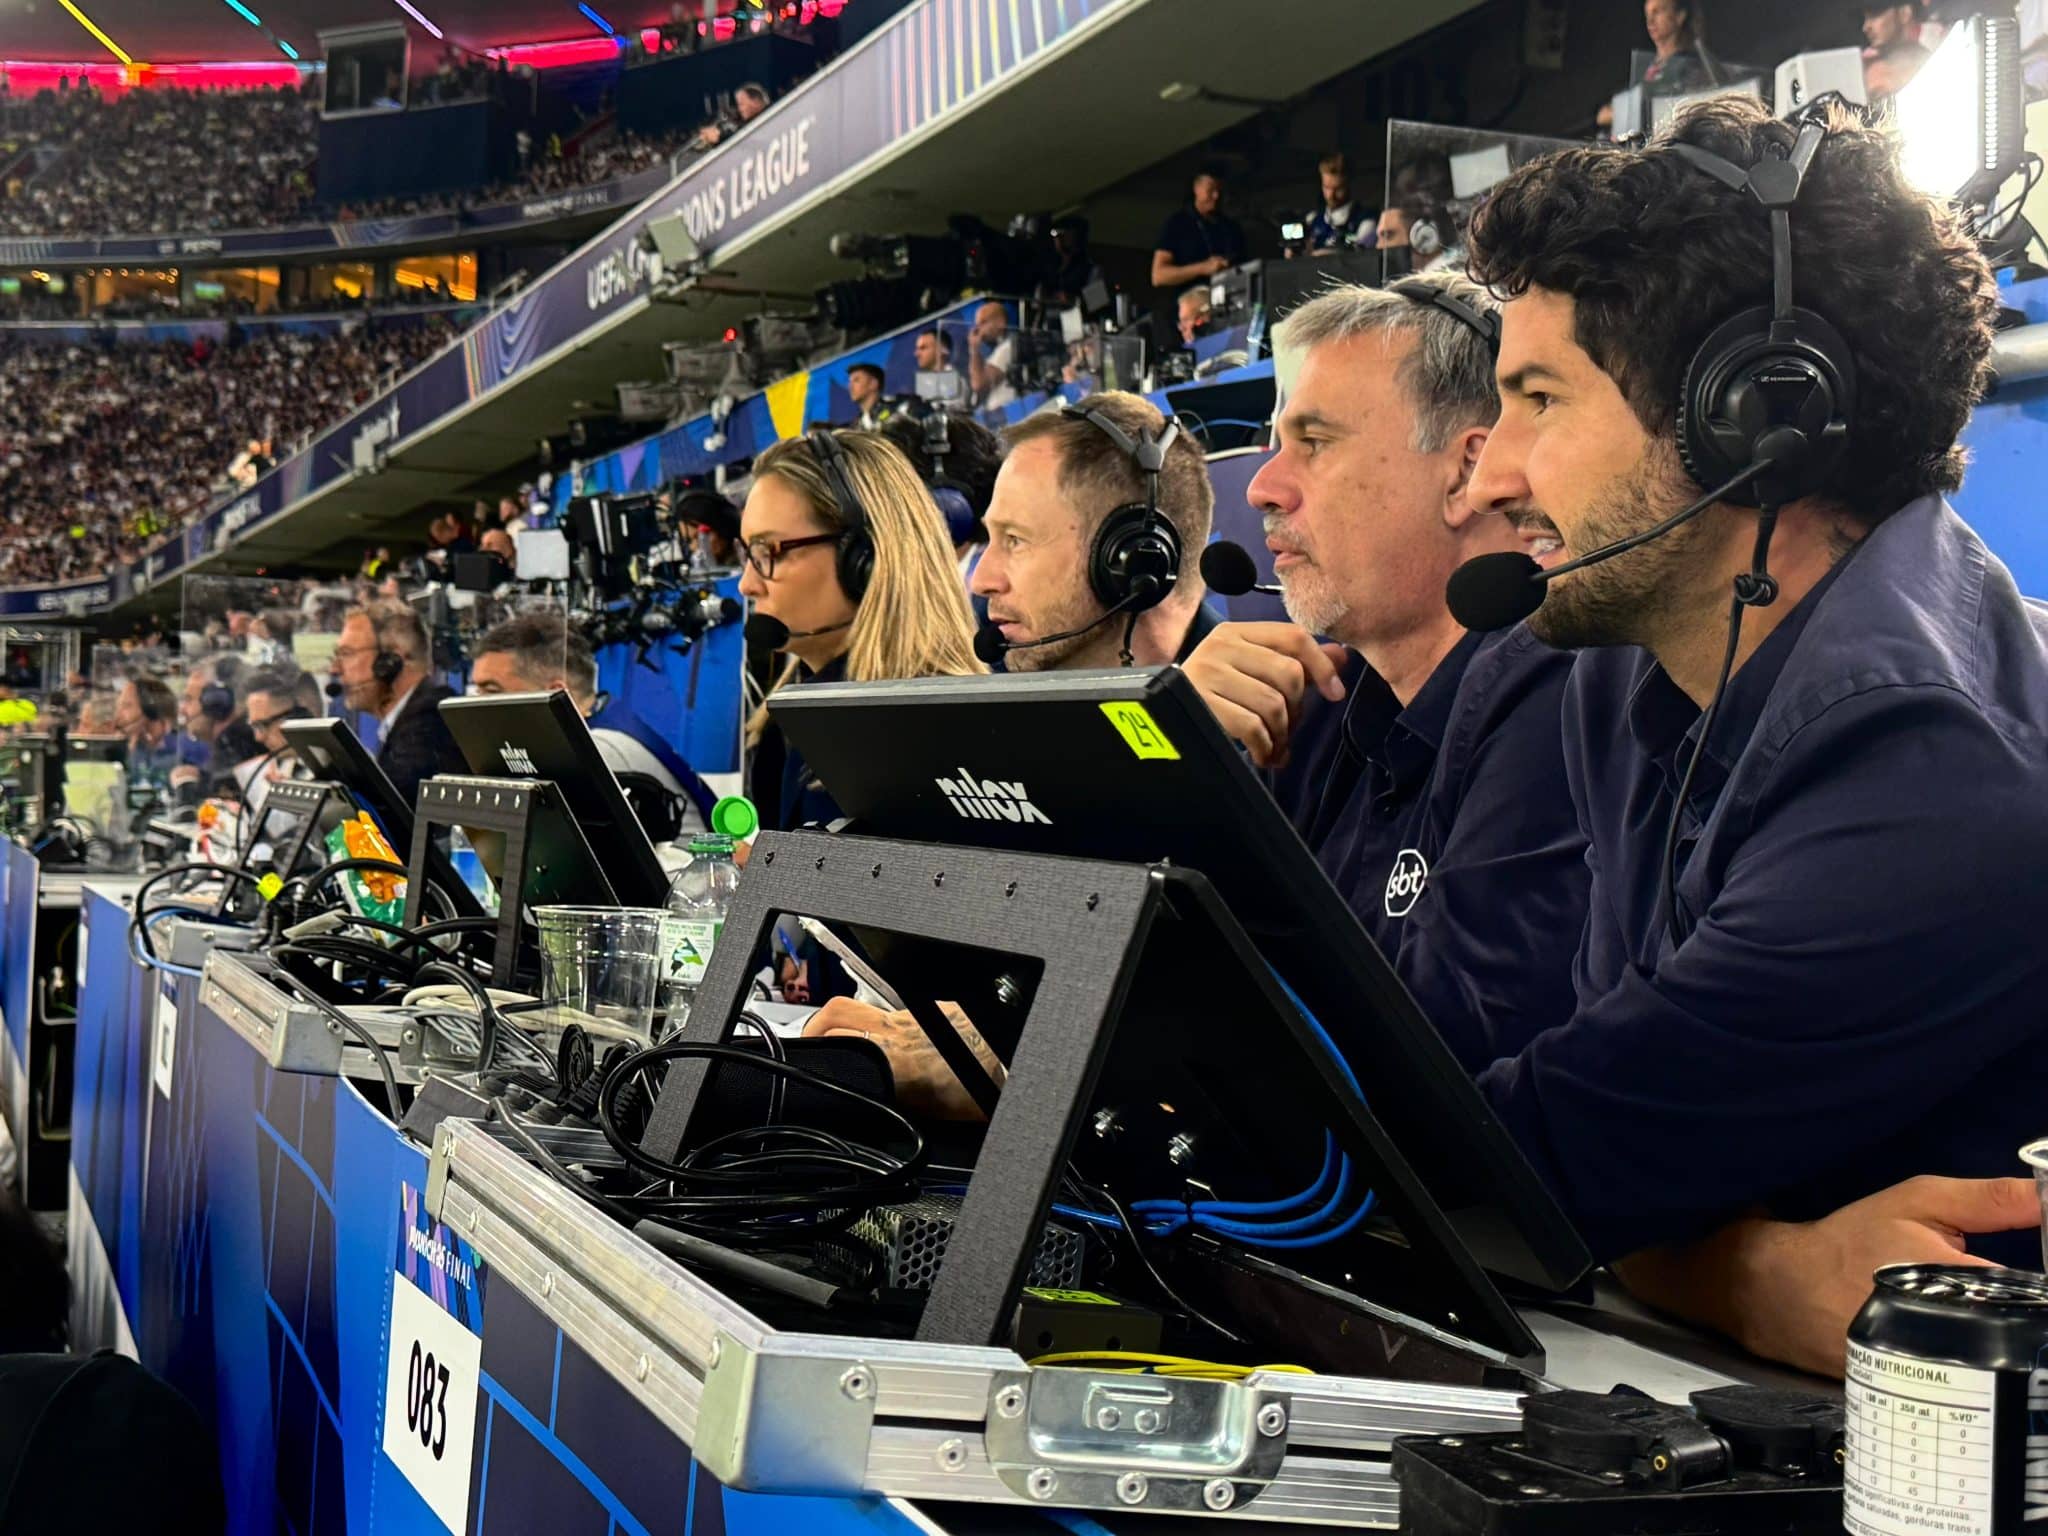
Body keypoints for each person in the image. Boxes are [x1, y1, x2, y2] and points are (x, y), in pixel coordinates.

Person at [1459, 99, 2047, 1295]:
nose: (1486, 478)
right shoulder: (1627, 659)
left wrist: (1709, 1273)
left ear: (1755, 419)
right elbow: (1580, 1146)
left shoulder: (1937, 770)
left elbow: (1505, 1172)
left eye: (1539, 399)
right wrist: (1747, 1273)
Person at [1182, 276, 1584, 1073]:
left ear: (1466, 471)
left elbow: (1430, 1066)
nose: (1261, 487)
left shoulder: (1563, 709)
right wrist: (1185, 770)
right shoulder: (1322, 705)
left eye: (1315, 442)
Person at [739, 429, 983, 836]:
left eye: (769, 552)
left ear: (864, 559)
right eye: (749, 553)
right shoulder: (798, 719)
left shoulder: (928, 744)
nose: (748, 583)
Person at [969, 391, 1218, 672]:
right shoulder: (997, 694)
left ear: (1132, 559)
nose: (980, 581)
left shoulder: (1264, 710)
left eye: (1015, 540)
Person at [467, 609, 713, 838]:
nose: (476, 706)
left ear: (554, 694)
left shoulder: (602, 750)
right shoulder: (606, 720)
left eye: (491, 691)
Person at [333, 602, 464, 808]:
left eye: (347, 654)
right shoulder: (410, 721)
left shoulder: (431, 721)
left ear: (390, 661)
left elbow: (386, 812)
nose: (335, 669)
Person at [1150, 168, 1247, 299]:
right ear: (1196, 189)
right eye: (1211, 190)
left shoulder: (1232, 228)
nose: (1216, 196)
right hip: (1190, 309)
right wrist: (1202, 268)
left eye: (1220, 191)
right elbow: (1158, 276)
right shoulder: (1177, 223)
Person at [111, 675, 178, 792]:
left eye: (127, 706)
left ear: (151, 708)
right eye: (118, 707)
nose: (118, 716)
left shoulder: (179, 754)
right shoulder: (135, 750)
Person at [1305, 152, 1368, 253]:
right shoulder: (1312, 220)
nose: (1331, 195)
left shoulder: (1364, 220)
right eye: (1326, 187)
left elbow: (1362, 256)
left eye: (1338, 189)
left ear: (1349, 184)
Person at [966, 301, 1016, 411]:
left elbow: (979, 384)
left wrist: (974, 349)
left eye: (983, 322)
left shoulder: (1008, 348)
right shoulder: (997, 351)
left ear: (1000, 322)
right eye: (977, 324)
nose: (978, 330)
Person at [845, 363, 893, 430]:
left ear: (873, 383)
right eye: (850, 382)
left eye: (856, 380)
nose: (850, 386)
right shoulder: (855, 427)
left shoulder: (897, 409)